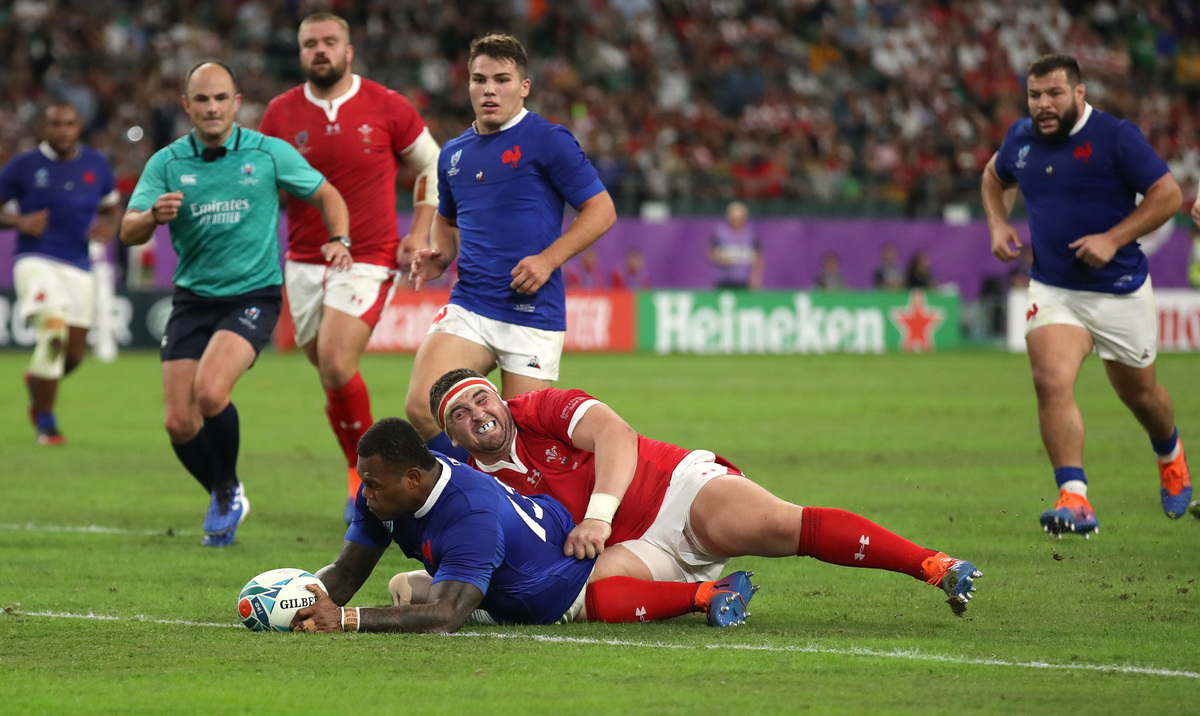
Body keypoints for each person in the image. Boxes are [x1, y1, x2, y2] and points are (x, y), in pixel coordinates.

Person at [425, 369, 982, 617]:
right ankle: (708, 596)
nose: (479, 414)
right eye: (461, 415)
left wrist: (598, 515)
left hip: (673, 492)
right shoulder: (472, 482)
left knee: (779, 526)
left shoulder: (540, 407)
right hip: (632, 549)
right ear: (452, 436)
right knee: (574, 597)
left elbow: (617, 435)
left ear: (499, 397)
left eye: (482, 399)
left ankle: (934, 565)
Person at [120, 61, 351, 547]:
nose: (212, 107)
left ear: (236, 102)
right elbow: (128, 230)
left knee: (210, 392)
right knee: (178, 422)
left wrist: (340, 238)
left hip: (252, 294)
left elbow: (327, 193)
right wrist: (152, 216)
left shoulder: (267, 153)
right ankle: (226, 491)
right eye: (202, 99)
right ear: (186, 106)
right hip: (192, 299)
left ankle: (225, 491)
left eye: (220, 98)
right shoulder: (167, 163)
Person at [291, 417, 758, 633]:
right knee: (401, 588)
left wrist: (345, 619)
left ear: (413, 479)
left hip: (547, 585)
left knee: (581, 603)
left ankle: (705, 593)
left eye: (372, 485)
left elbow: (444, 618)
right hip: (524, 533)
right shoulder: (385, 492)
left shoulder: (469, 515)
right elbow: (346, 573)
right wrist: (293, 599)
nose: (364, 495)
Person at [981, 54, 1190, 535]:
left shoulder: (1116, 137)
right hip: (1054, 287)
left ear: (1079, 93)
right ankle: (1074, 497)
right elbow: (994, 177)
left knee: (1141, 395)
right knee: (1050, 379)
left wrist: (1113, 238)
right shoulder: (1020, 138)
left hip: (1119, 290)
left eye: (1054, 93)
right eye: (1035, 95)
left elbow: (1168, 195)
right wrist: (997, 223)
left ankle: (1170, 454)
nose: (1043, 104)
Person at [259, 12, 442, 523]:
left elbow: (432, 164)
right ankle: (354, 467)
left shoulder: (386, 104)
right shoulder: (279, 113)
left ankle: (368, 479)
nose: (320, 50)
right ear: (300, 52)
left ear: (348, 50)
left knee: (338, 364)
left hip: (369, 254)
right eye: (310, 43)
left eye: (329, 41)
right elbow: (261, 182)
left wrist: (419, 231)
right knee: (330, 374)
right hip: (303, 260)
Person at [404, 34, 617, 460]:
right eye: (479, 79)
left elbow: (602, 210)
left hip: (531, 311)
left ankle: (505, 492)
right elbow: (446, 217)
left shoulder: (548, 139)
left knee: (520, 444)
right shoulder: (453, 154)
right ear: (468, 84)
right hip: (472, 304)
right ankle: (470, 490)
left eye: (502, 80)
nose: (489, 89)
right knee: (424, 407)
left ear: (524, 86)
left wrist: (548, 259)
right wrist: (440, 255)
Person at [0, 101, 121, 445]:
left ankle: (38, 381)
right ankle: (47, 423)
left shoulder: (96, 164)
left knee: (73, 355)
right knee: (53, 334)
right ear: (44, 127)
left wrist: (109, 227)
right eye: (56, 124)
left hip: (79, 265)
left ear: (79, 126)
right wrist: (19, 221)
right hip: (35, 260)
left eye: (69, 124)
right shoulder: (23, 166)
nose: (63, 131)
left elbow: (112, 207)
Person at [708, 201, 763, 290]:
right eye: (734, 218)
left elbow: (758, 260)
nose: (736, 221)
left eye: (739, 218)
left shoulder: (750, 236)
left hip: (744, 283)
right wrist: (721, 259)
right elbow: (711, 253)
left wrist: (755, 279)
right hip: (724, 281)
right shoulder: (720, 234)